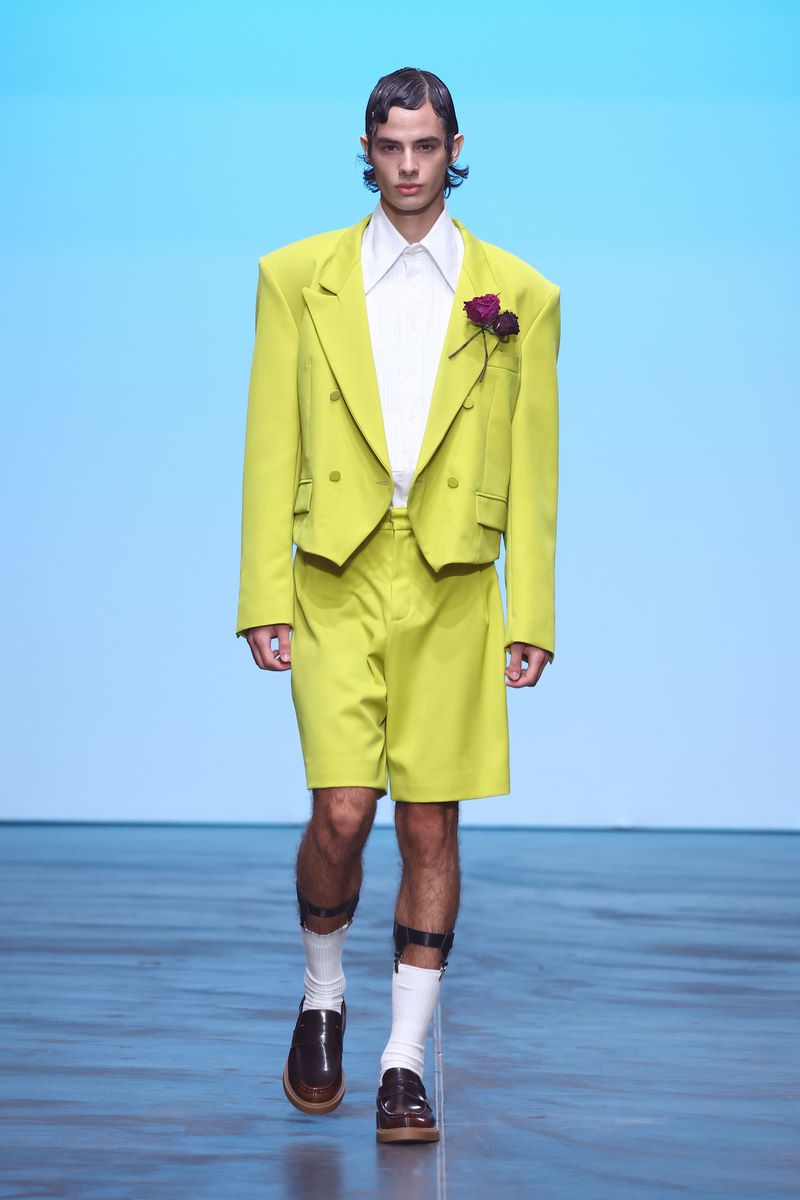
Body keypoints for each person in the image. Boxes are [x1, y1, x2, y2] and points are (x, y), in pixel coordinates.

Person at [235, 66, 561, 1143]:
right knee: (341, 811)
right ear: (366, 151)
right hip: (334, 573)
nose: (409, 166)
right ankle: (322, 991)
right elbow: (268, 443)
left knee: (430, 821)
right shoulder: (297, 278)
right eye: (391, 147)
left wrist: (531, 613)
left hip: (454, 582)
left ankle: (402, 1063)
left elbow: (536, 466)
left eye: (426, 147)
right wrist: (261, 593)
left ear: (454, 149)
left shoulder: (519, 294)